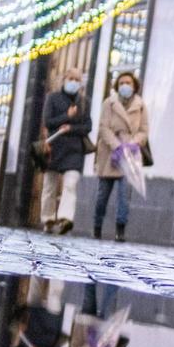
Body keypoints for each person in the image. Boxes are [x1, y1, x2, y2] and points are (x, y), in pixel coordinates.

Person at [92, 70, 149, 241]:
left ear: (134, 86)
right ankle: (97, 226)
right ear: (117, 85)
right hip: (110, 153)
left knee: (124, 195)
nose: (125, 86)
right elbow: (103, 127)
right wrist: (117, 146)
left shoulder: (141, 105)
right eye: (122, 83)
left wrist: (133, 143)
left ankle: (120, 229)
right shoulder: (109, 103)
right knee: (103, 194)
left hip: (130, 155)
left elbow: (144, 130)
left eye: (128, 83)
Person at [39, 73, 92, 234]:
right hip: (54, 147)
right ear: (64, 80)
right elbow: (48, 121)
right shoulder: (53, 98)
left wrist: (72, 128)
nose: (74, 82)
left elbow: (88, 126)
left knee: (70, 184)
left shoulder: (83, 102)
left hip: (74, 149)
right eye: (71, 79)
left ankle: (65, 219)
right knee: (50, 186)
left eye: (77, 80)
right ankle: (48, 219)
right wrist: (65, 117)